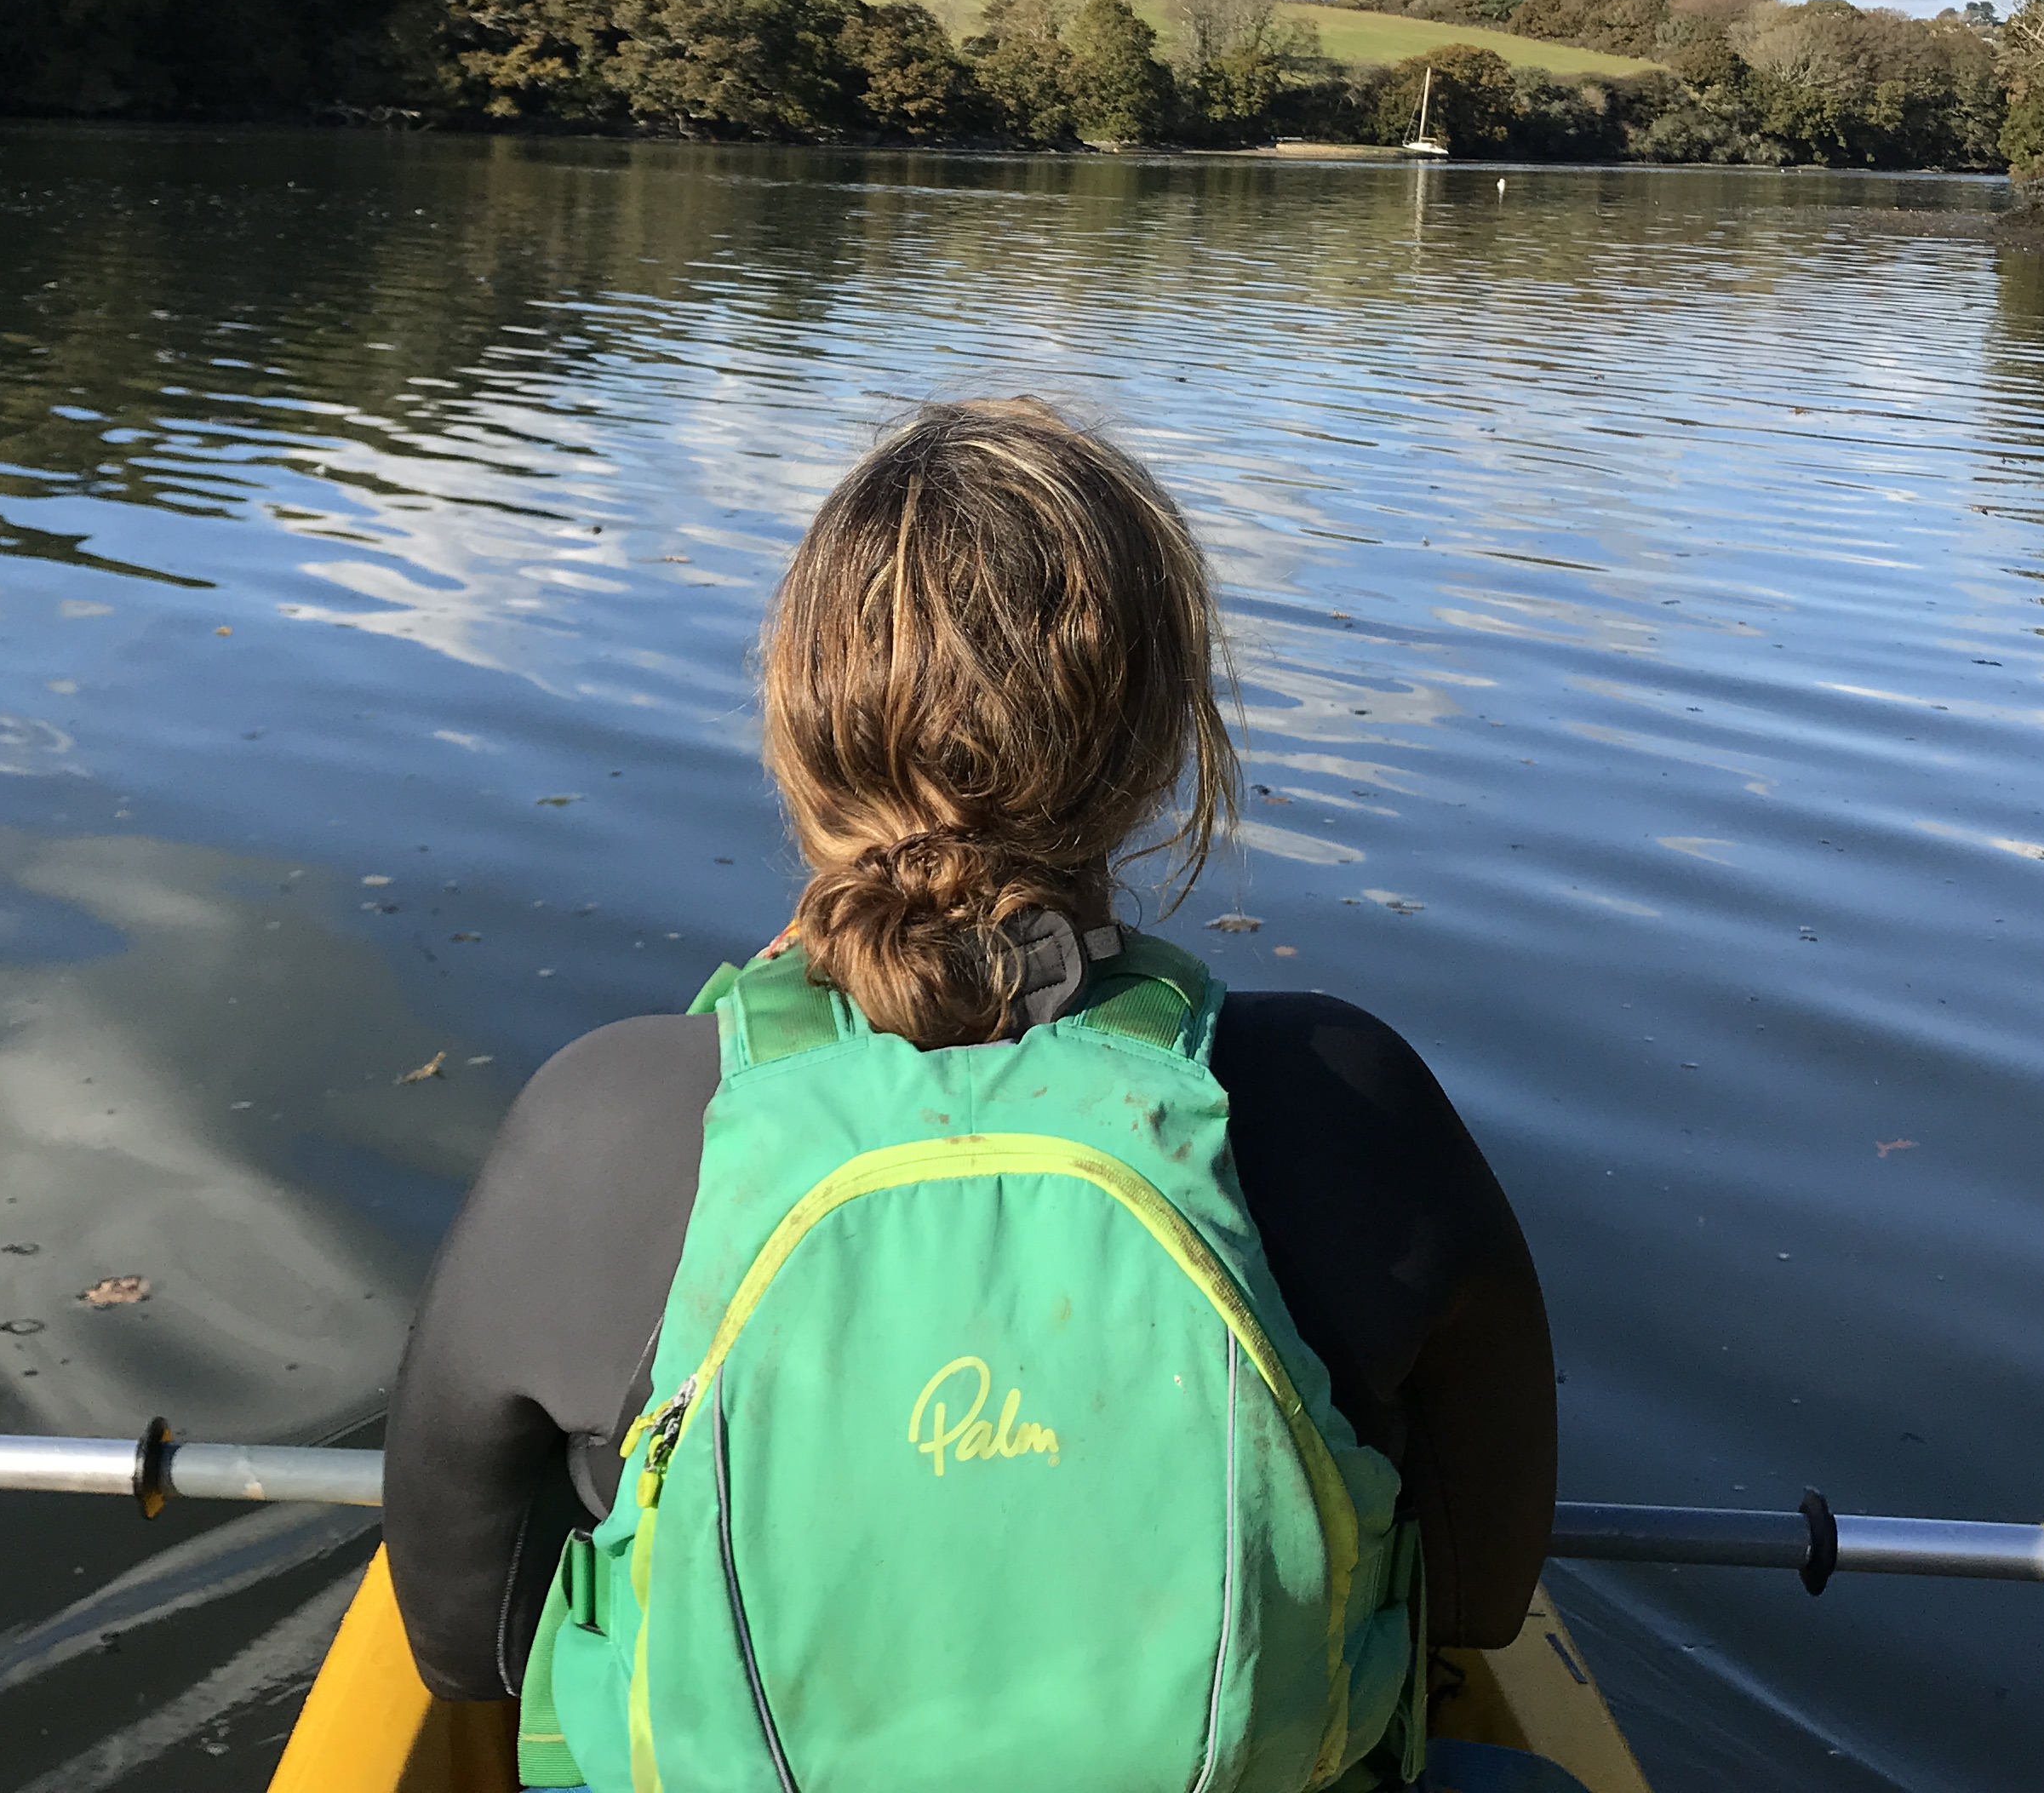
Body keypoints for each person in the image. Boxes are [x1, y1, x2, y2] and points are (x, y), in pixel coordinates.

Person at [382, 398, 1554, 1791]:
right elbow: (1476, 1607)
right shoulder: (1346, 1103)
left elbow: (465, 1652)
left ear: (799, 736)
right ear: (1155, 752)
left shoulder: (612, 1121)